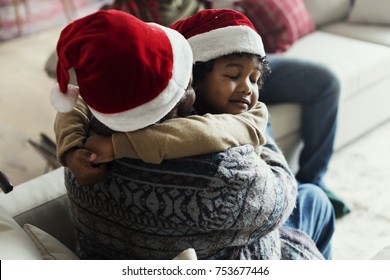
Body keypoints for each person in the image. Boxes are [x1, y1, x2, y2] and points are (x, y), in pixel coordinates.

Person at [53, 9, 330, 259]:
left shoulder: (83, 151)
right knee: (315, 201)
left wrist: (74, 148)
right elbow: (282, 196)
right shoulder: (223, 169)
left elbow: (76, 101)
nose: (189, 81)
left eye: (255, 80)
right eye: (184, 73)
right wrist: (258, 136)